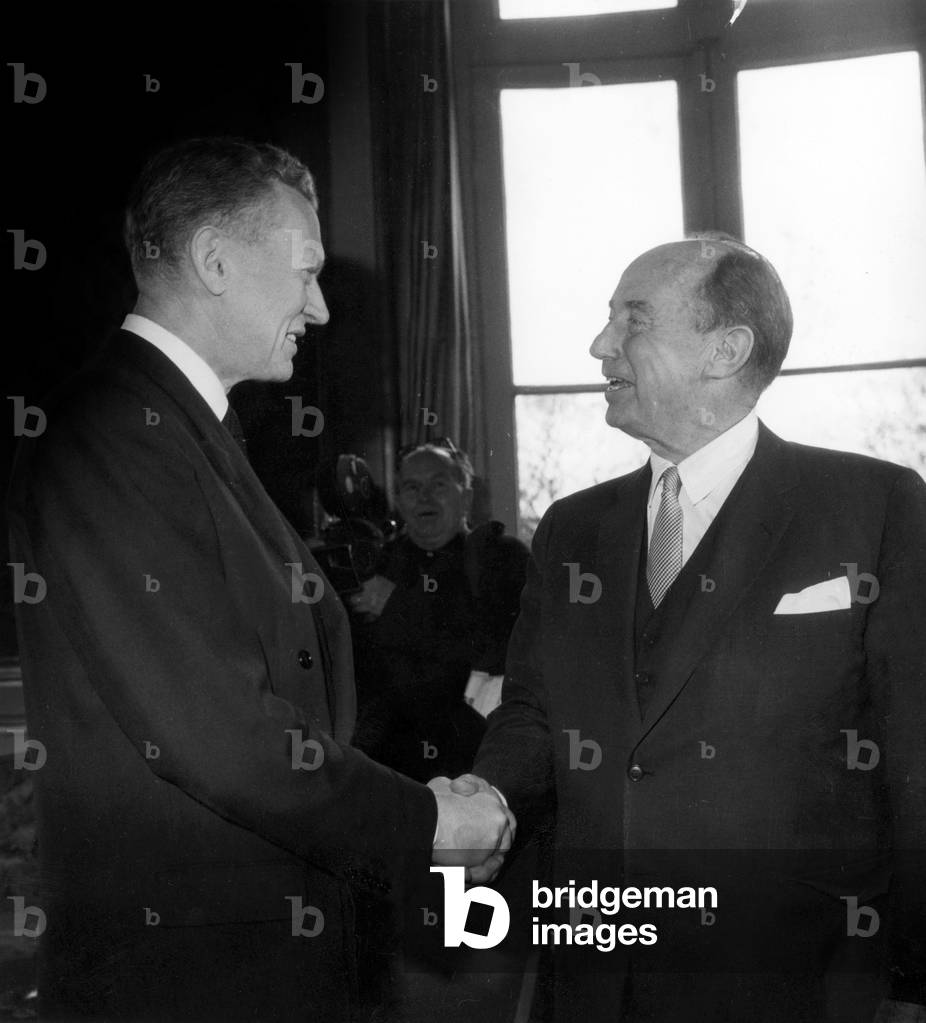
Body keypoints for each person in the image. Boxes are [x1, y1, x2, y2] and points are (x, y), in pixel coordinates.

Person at [6, 137, 513, 1022]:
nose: (318, 307)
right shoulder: (112, 436)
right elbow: (222, 735)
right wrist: (424, 824)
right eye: (306, 271)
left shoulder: (182, 428)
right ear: (214, 261)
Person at [454, 237, 926, 1022]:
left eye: (631, 319)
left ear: (727, 349)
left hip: (802, 979)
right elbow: (533, 711)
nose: (600, 344)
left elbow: (917, 753)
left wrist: (913, 978)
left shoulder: (874, 507)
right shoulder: (571, 529)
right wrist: (485, 794)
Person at [349, 442, 529, 782]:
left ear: (466, 496)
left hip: (475, 763)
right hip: (389, 768)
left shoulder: (500, 558)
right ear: (399, 501)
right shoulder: (376, 565)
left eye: (439, 484)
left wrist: (399, 608)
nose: (424, 497)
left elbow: (501, 651)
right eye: (411, 488)